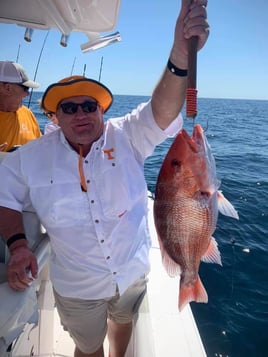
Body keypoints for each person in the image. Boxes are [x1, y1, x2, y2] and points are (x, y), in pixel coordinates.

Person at [0, 1, 209, 356]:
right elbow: (4, 195)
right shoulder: (31, 158)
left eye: (89, 106)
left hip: (131, 273)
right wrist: (19, 246)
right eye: (69, 107)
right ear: (54, 115)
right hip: (78, 287)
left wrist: (179, 53)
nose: (80, 113)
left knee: (122, 325)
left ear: (102, 110)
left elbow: (162, 108)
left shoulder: (128, 135)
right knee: (87, 347)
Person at [0, 61, 42, 152]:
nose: (28, 94)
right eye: (25, 88)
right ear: (8, 88)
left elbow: (41, 148)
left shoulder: (27, 113)